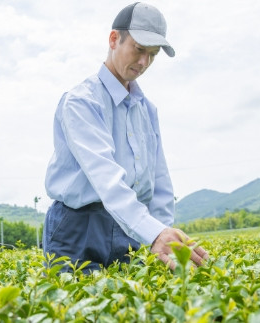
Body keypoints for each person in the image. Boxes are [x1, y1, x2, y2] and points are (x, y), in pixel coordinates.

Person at [43, 2, 208, 272]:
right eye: (139, 49)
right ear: (113, 39)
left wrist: (162, 231)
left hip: (129, 225)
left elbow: (159, 180)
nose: (144, 62)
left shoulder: (147, 109)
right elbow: (106, 179)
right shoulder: (81, 102)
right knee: (77, 309)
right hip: (77, 226)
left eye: (152, 55)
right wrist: (153, 232)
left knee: (128, 306)